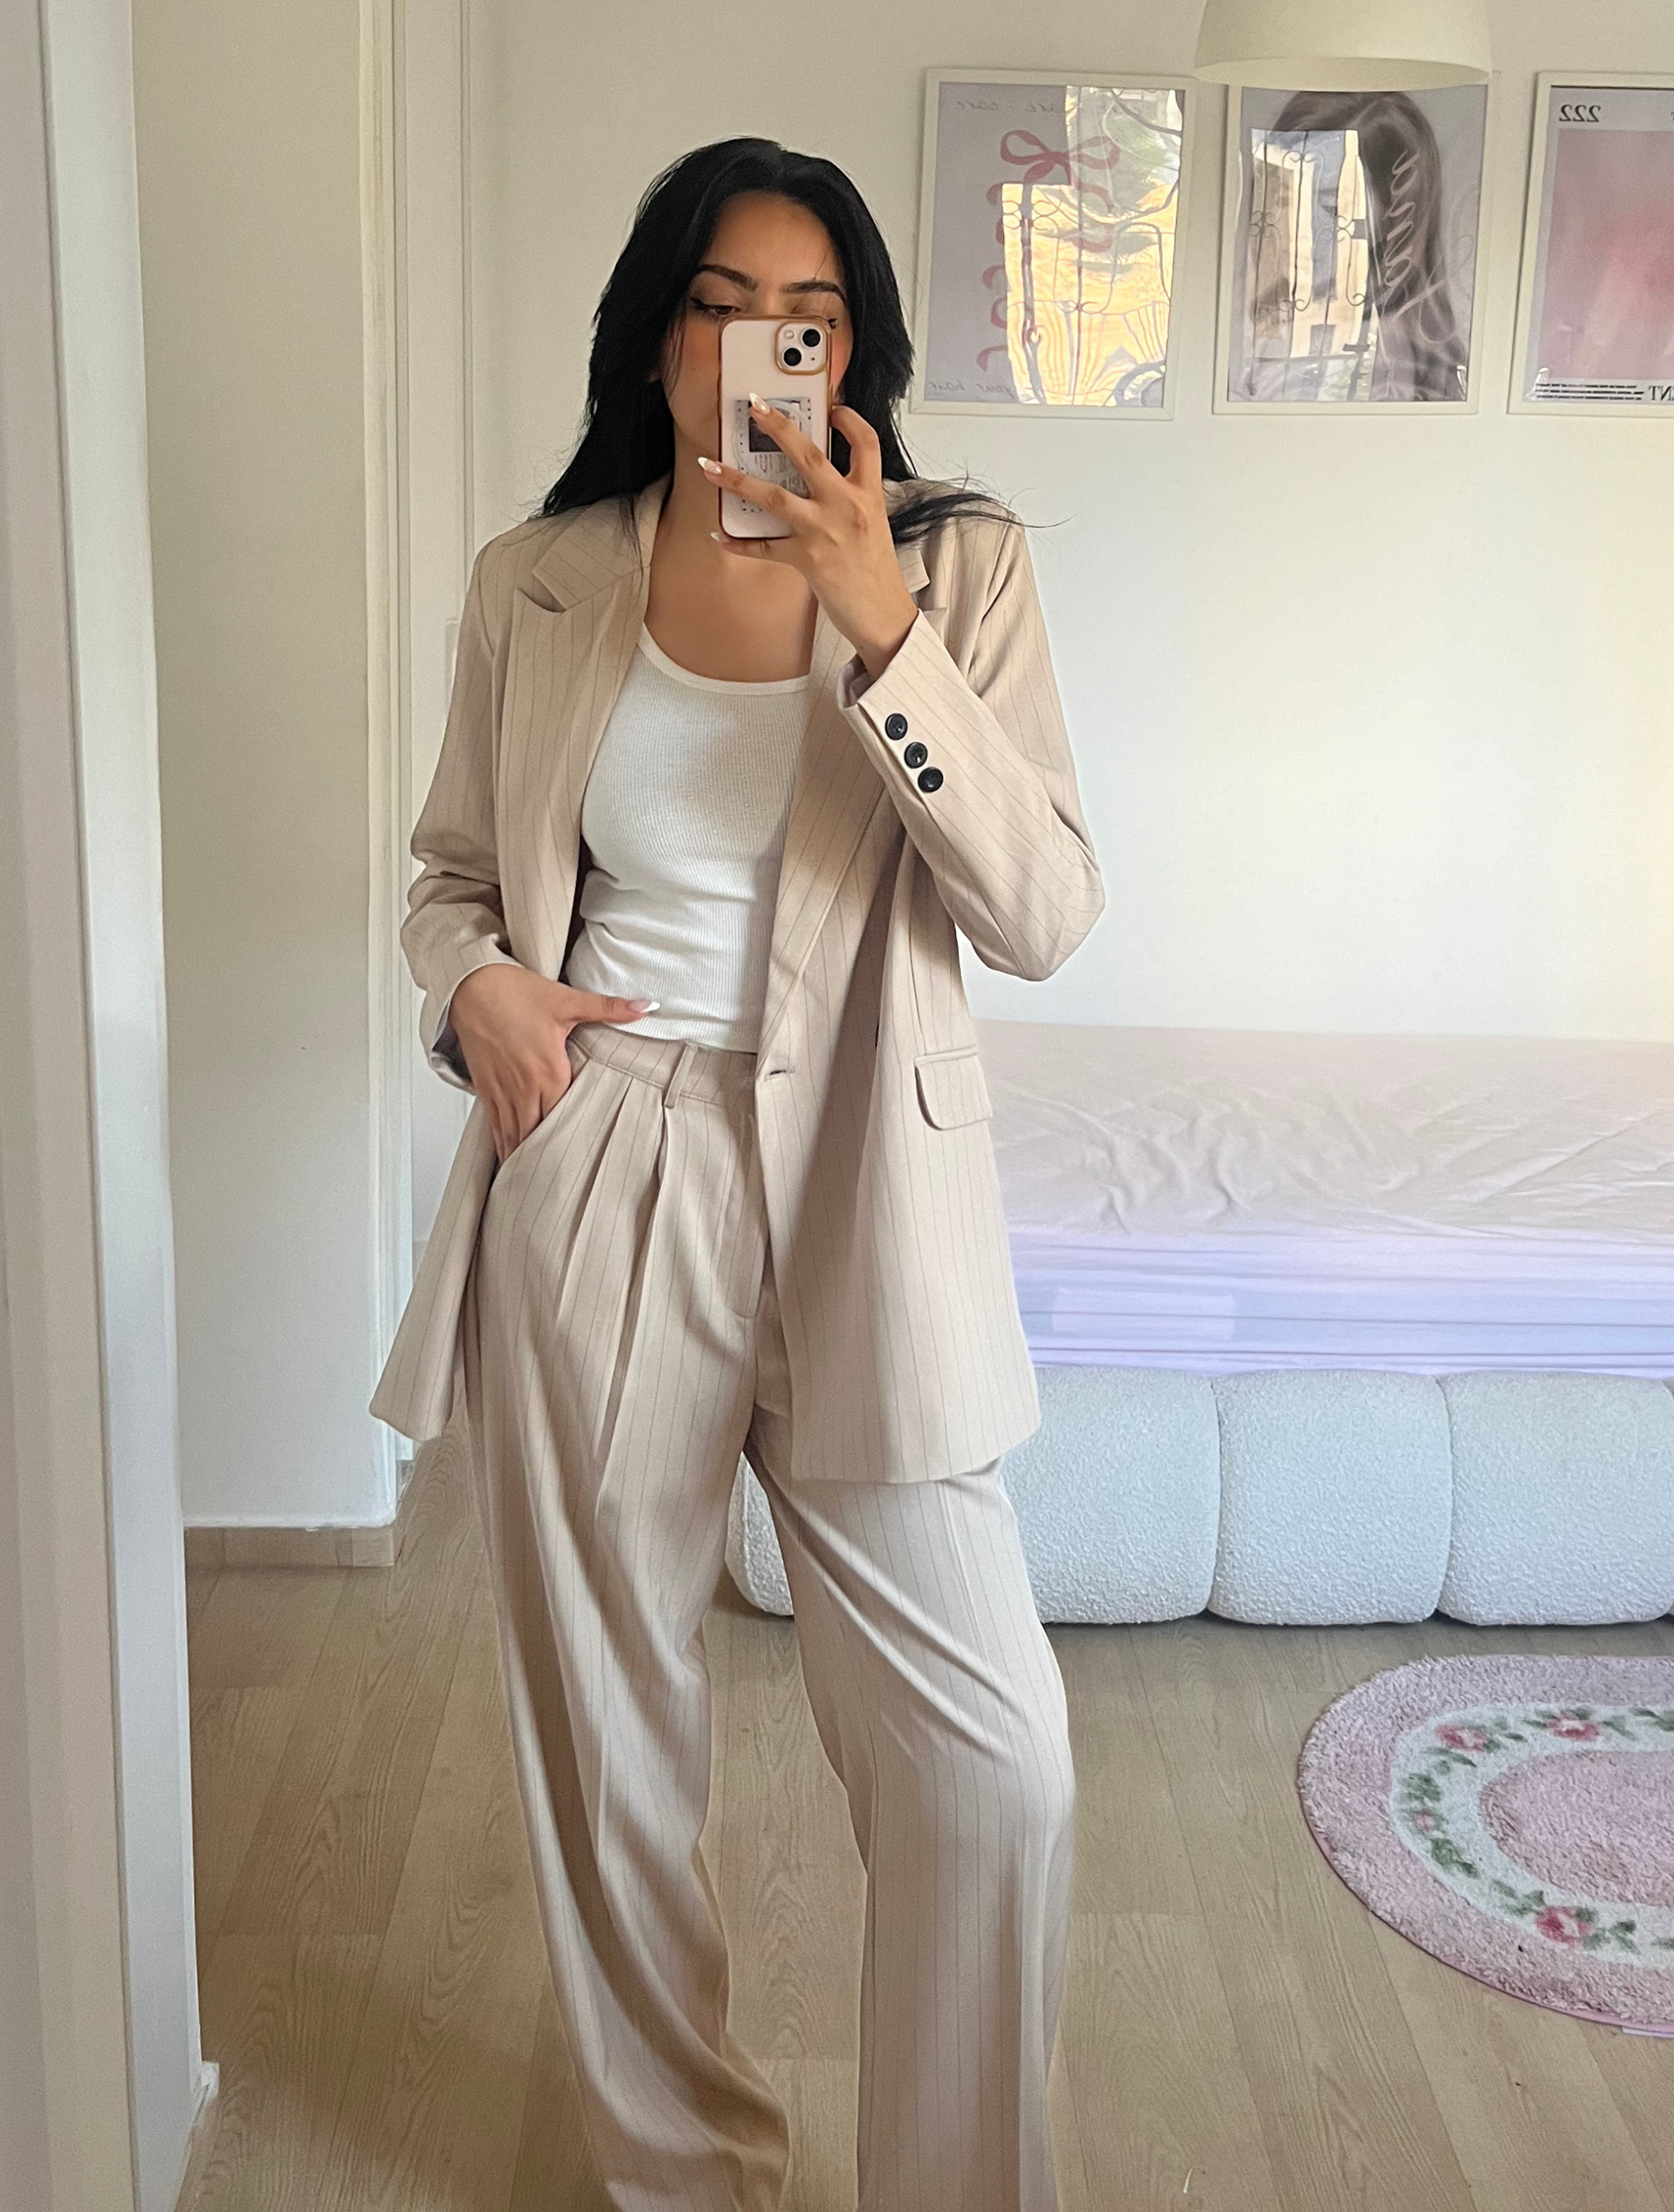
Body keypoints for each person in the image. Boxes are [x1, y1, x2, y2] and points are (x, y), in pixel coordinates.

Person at [368, 135, 1104, 2212]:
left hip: (868, 1169)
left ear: (852, 352)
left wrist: (881, 626)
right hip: (602, 1153)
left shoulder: (958, 568)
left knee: (993, 1768)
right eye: (716, 304)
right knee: (609, 1740)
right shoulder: (540, 576)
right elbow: (448, 876)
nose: (758, 345)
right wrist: (477, 994)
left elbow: (1042, 911)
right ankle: (681, 2179)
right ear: (656, 335)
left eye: (807, 313)